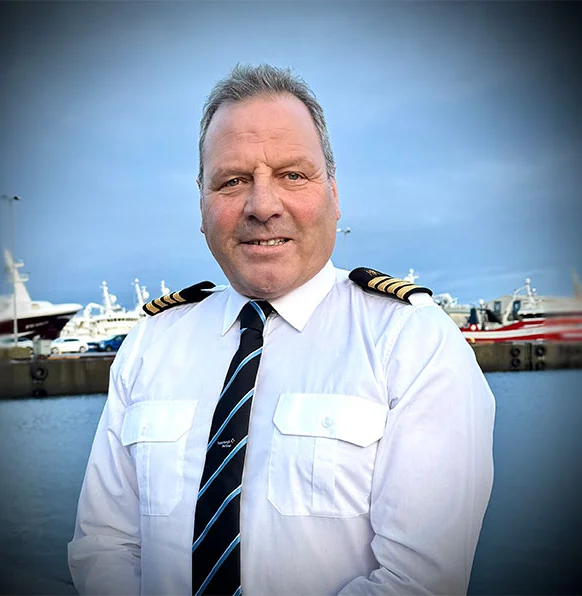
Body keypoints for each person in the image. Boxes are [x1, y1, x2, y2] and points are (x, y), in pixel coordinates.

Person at [67, 63, 496, 596]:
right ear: (201, 206)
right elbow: (104, 544)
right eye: (233, 181)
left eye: (293, 175)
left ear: (333, 197)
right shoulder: (151, 344)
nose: (262, 206)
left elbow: (420, 581)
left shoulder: (411, 342)